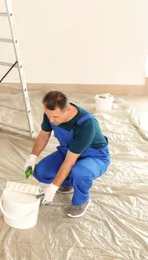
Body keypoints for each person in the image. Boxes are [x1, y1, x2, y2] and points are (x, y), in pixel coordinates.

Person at [25, 90, 110, 218]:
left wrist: (53, 187)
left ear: (68, 109)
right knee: (41, 172)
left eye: (55, 117)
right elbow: (44, 135)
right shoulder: (51, 112)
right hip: (68, 151)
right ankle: (67, 183)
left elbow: (69, 161)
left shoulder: (87, 124)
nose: (51, 120)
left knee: (80, 172)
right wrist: (32, 157)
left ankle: (82, 200)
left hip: (94, 156)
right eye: (49, 116)